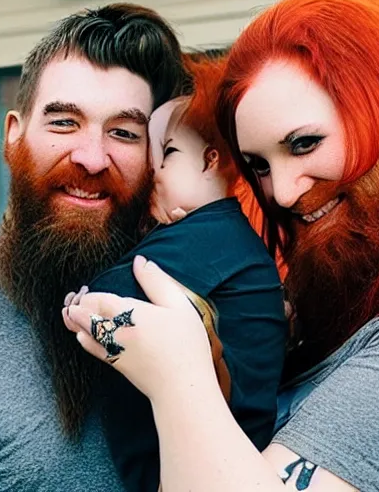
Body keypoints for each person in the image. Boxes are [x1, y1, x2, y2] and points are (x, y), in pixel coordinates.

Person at [64, 0, 379, 492]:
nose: (281, 192)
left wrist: (178, 379)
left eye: (305, 143)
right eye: (258, 164)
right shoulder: (362, 301)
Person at [0, 3, 186, 491]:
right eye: (63, 122)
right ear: (13, 137)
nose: (90, 158)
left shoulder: (201, 315)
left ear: (159, 159)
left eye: (124, 133)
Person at [65, 58, 287, 490]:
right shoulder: (216, 234)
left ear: (210, 161)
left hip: (197, 459)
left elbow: (107, 295)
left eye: (166, 154)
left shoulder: (213, 233)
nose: (153, 175)